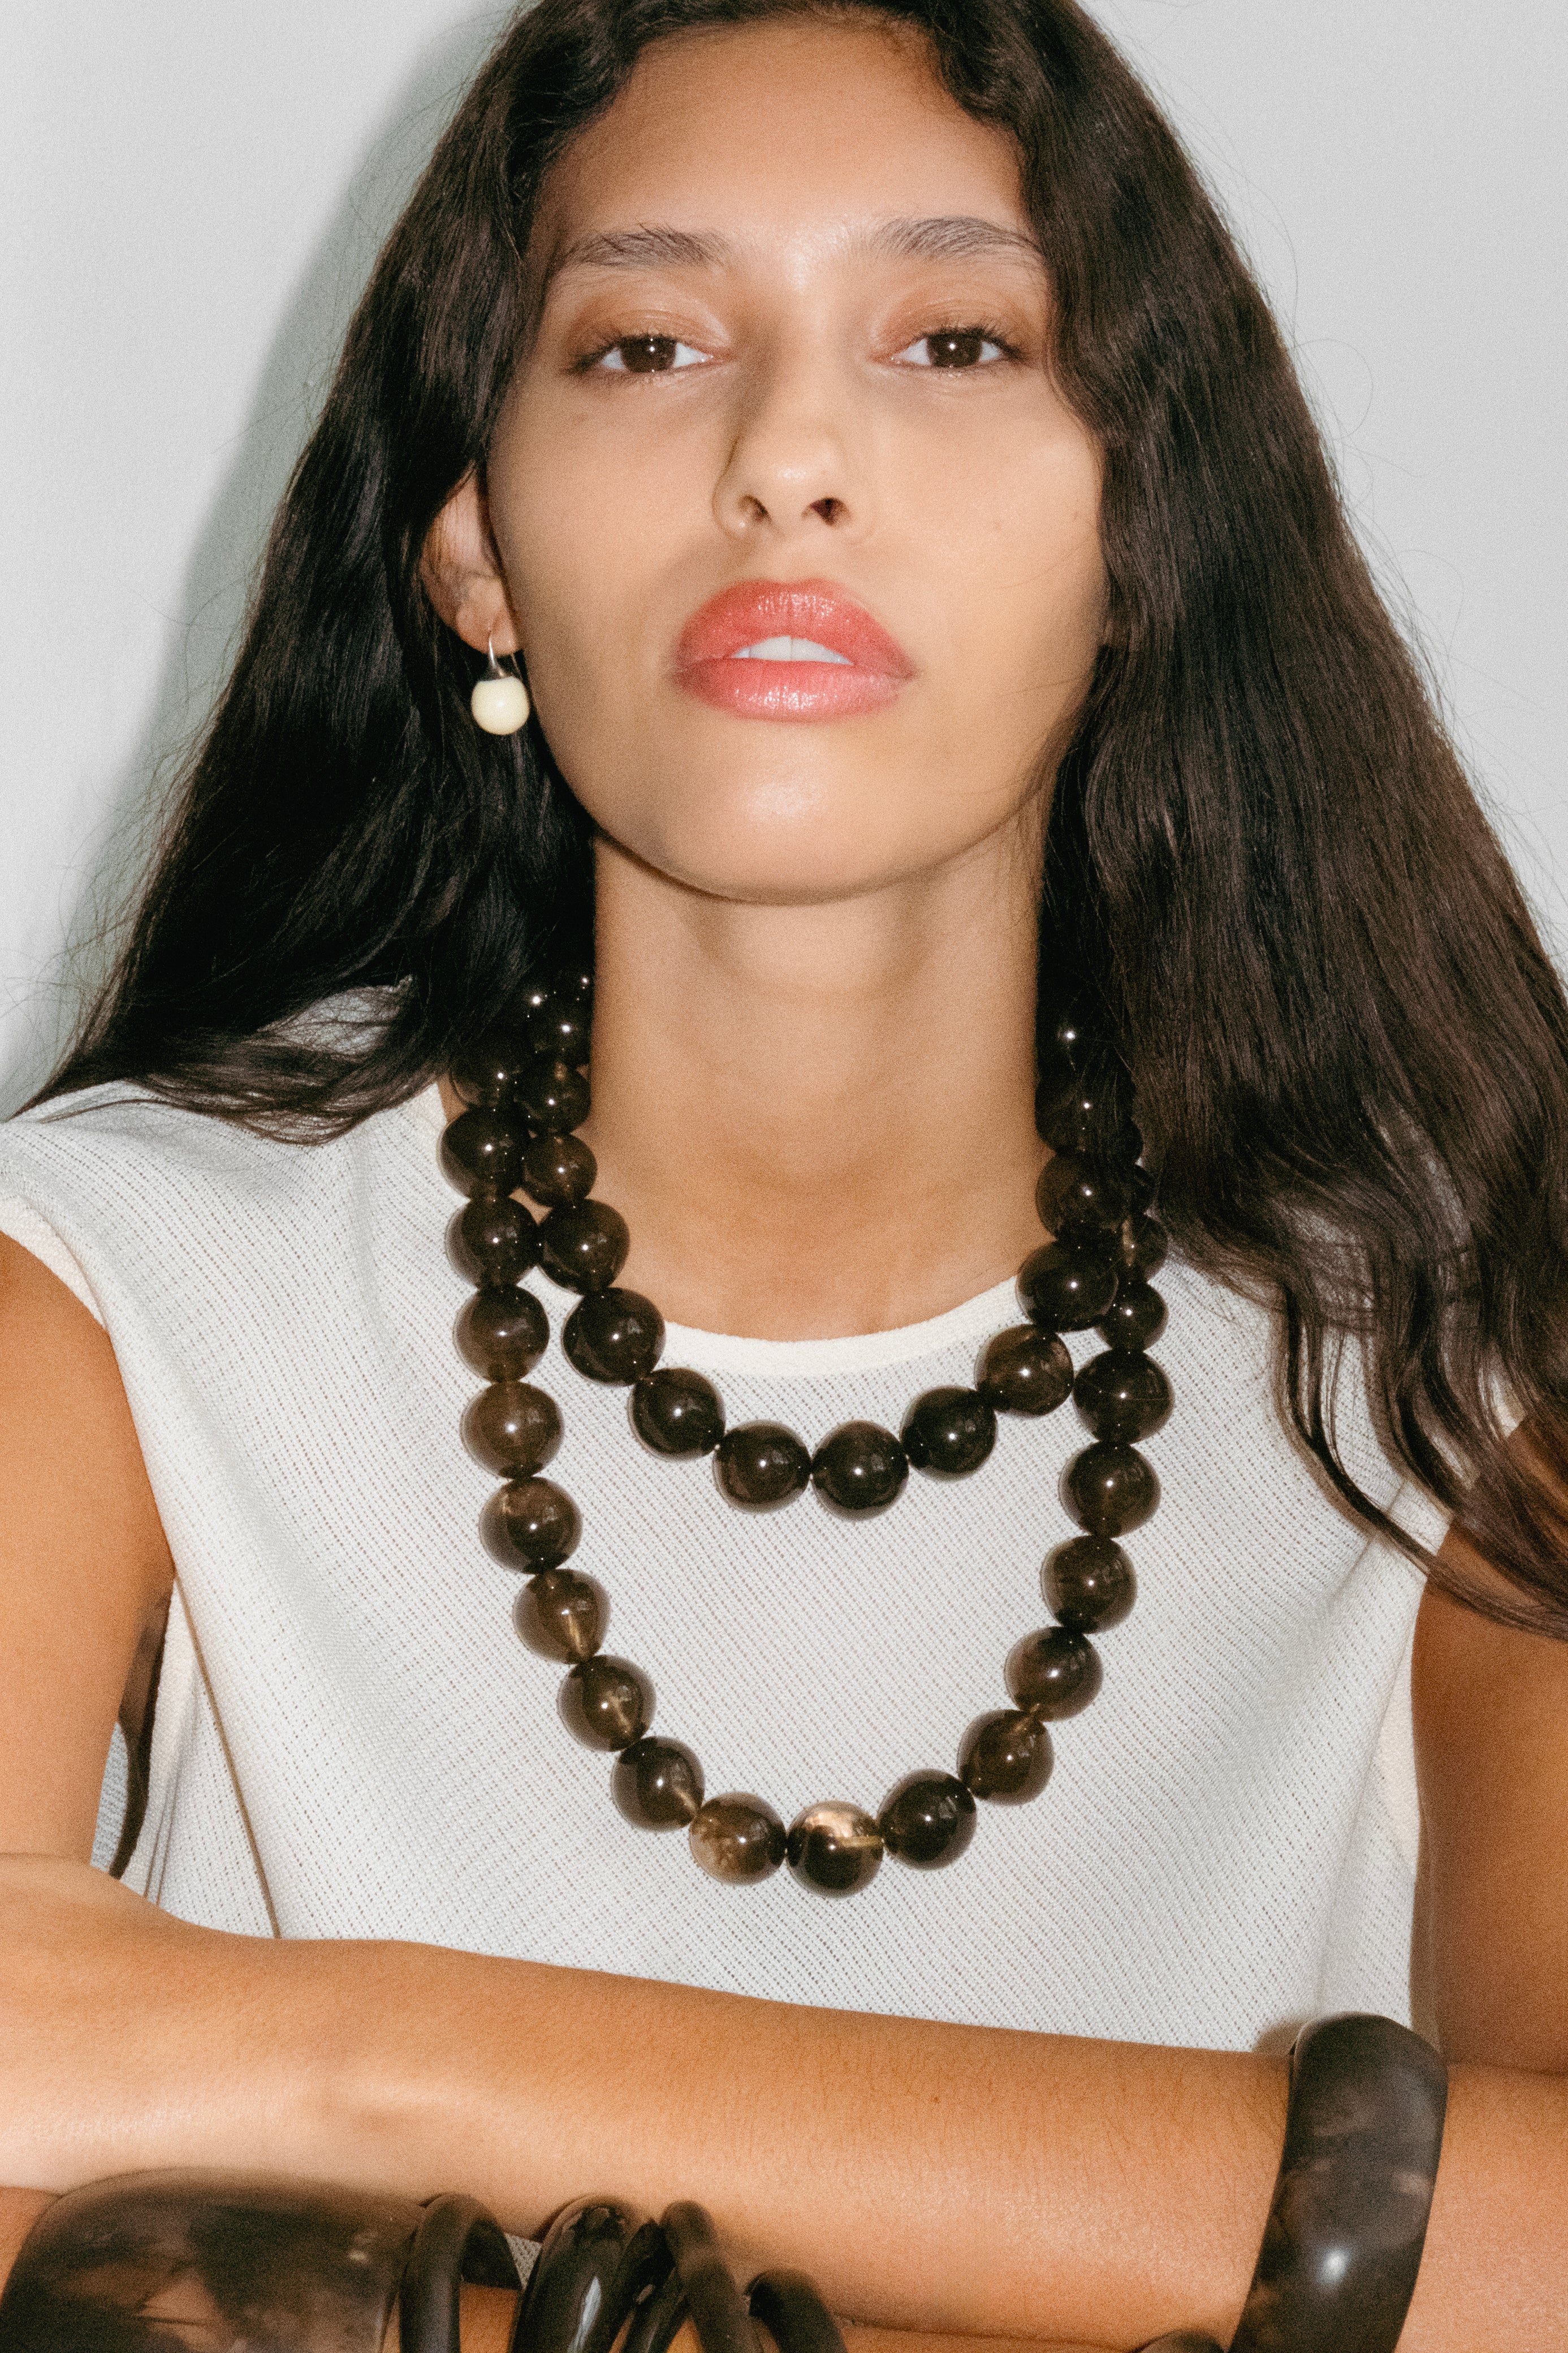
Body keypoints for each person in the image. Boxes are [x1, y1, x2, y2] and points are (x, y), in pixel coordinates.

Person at [1, 0, 1565, 2345]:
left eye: (953, 339)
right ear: (474, 549)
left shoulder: (1463, 1341)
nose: (789, 461)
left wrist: (343, 2057)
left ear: (1142, 527)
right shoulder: (106, 1290)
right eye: (644, 347)